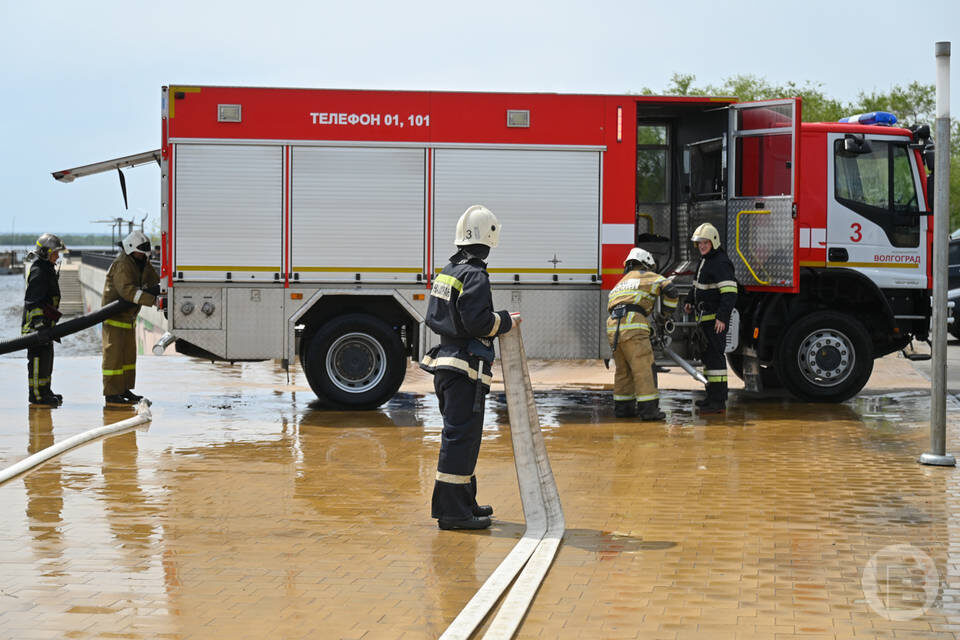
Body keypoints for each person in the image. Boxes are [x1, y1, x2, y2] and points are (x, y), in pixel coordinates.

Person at [420, 205, 519, 531]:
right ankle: (453, 514)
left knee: (463, 438)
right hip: (464, 372)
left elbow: (439, 317)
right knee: (461, 439)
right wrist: (504, 321)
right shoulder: (475, 274)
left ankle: (465, 502)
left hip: (448, 367)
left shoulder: (449, 270)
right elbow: (479, 322)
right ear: (490, 237)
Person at [606, 247, 678, 420]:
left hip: (612, 326)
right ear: (645, 263)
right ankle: (649, 411)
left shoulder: (621, 283)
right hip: (633, 324)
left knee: (623, 371)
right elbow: (670, 288)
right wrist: (665, 314)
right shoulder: (646, 276)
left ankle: (623, 410)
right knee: (643, 368)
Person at [683, 223, 738, 413]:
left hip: (715, 321)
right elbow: (697, 285)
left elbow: (730, 293)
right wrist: (690, 300)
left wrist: (722, 318)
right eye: (699, 243)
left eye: (705, 243)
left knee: (716, 361)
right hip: (705, 320)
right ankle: (710, 396)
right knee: (708, 360)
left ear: (713, 242)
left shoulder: (721, 262)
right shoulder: (706, 260)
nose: (702, 246)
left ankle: (718, 401)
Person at [102, 230, 160, 406]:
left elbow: (153, 281)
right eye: (140, 253)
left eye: (144, 254)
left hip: (128, 318)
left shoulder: (140, 262)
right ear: (130, 249)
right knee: (114, 358)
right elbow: (128, 291)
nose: (143, 257)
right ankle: (112, 394)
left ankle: (124, 389)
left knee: (127, 358)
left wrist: (164, 291)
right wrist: (153, 300)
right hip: (114, 318)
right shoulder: (123, 264)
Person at [22, 234, 66, 407]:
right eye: (55, 253)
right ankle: (37, 396)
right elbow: (34, 301)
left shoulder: (47, 268)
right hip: (35, 328)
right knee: (38, 361)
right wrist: (40, 326)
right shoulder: (39, 271)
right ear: (45, 252)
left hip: (46, 326)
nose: (57, 256)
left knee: (47, 359)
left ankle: (45, 390)